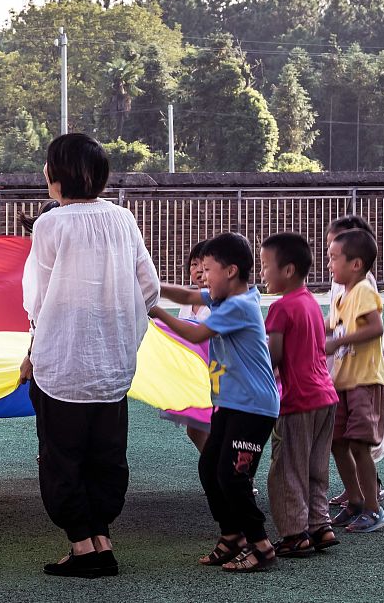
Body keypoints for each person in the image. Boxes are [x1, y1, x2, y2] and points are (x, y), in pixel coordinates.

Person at [20, 133, 160, 579]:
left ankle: (84, 548)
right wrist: (120, 336)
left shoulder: (51, 225)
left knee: (62, 459)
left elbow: (38, 299)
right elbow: (149, 289)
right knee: (106, 457)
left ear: (57, 174)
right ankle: (101, 540)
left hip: (62, 366)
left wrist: (34, 349)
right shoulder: (123, 219)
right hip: (112, 368)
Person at [151, 233, 280, 572]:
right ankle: (232, 536)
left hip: (253, 408)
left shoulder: (239, 306)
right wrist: (151, 284)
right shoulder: (226, 297)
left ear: (232, 271)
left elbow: (195, 334)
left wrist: (154, 310)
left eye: (208, 270)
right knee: (210, 469)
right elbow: (189, 294)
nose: (203, 276)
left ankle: (260, 544)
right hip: (230, 404)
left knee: (233, 476)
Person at [259, 233, 340, 555]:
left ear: (288, 270)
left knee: (286, 469)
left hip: (298, 400)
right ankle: (320, 526)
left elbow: (274, 355)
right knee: (315, 468)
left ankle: (295, 533)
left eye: (266, 266)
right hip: (325, 397)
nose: (262, 273)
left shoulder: (281, 308)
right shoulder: (309, 301)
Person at [326, 229, 384, 533]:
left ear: (355, 264)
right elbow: (330, 331)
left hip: (364, 380)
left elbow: (375, 328)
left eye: (334, 258)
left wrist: (338, 343)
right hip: (344, 380)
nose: (329, 265)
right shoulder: (342, 296)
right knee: (337, 441)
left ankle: (373, 508)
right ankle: (353, 500)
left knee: (359, 443)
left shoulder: (364, 289)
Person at [159, 239, 212, 452]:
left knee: (216, 428)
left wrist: (158, 313)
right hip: (195, 377)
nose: (199, 270)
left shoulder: (224, 300)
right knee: (195, 429)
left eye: (205, 265)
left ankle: (232, 476)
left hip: (217, 376)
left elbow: (196, 334)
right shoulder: (188, 304)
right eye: (194, 264)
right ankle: (218, 471)